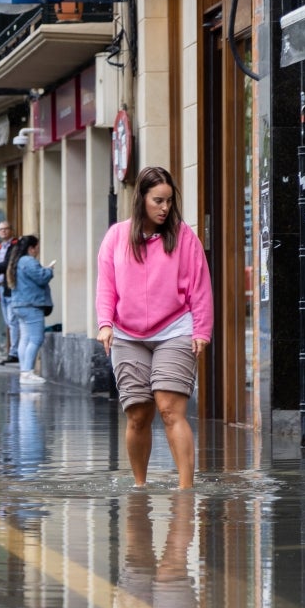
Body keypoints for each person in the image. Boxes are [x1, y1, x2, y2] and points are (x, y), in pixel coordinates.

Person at [96, 166, 212, 490]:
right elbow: (106, 286)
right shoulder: (117, 237)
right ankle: (140, 485)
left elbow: (201, 288)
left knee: (169, 408)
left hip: (175, 328)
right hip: (127, 334)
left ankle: (186, 488)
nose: (164, 208)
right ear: (141, 200)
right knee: (137, 413)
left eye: (169, 202)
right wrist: (105, 324)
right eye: (158, 201)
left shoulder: (184, 237)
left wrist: (201, 331)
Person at [6, 235, 53, 386]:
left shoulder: (17, 261)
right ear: (31, 248)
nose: (38, 251)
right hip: (31, 304)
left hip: (19, 305)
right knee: (36, 338)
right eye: (37, 248)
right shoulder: (28, 261)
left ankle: (24, 372)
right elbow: (41, 277)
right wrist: (49, 270)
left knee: (25, 338)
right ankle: (27, 372)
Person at [0, 220, 20, 365]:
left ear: (11, 230)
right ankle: (12, 350)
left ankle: (14, 352)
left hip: (11, 286)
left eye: (6, 229)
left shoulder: (15, 245)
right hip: (0, 286)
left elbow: (8, 263)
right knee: (8, 321)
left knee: (13, 321)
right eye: (1, 230)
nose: (3, 232)